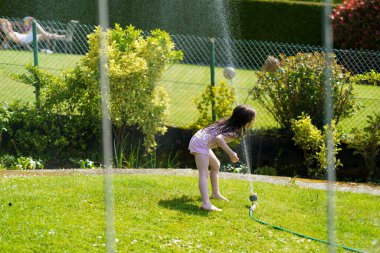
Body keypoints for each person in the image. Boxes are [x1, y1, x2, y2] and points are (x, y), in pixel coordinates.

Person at [188, 104, 256, 211]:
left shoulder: (227, 124)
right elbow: (219, 139)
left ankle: (215, 193)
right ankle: (206, 203)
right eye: (252, 120)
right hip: (200, 143)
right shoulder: (234, 131)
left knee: (216, 165)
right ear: (246, 121)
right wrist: (231, 153)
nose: (252, 123)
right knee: (204, 173)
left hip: (199, 140)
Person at [0, 17, 66, 49]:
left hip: (28, 37)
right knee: (35, 24)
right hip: (27, 39)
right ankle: (63, 37)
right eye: (7, 26)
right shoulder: (9, 34)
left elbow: (3, 46)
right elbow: (19, 41)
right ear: (3, 28)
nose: (10, 26)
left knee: (45, 35)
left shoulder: (9, 35)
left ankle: (64, 37)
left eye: (9, 25)